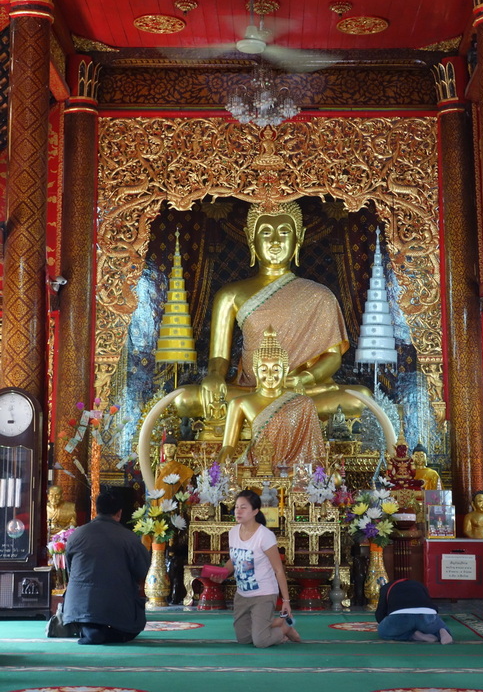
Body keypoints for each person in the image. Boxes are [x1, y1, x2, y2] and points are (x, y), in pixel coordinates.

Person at [138, 202, 396, 488]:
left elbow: (332, 358)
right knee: (184, 398)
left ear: (298, 239)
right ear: (252, 240)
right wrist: (213, 376)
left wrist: (305, 378)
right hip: (251, 390)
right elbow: (219, 358)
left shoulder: (320, 296)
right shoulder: (230, 295)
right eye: (266, 233)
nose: (275, 241)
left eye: (284, 232)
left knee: (358, 397)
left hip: (299, 390)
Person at [219, 327, 325, 469]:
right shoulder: (239, 403)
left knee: (332, 477)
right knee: (233, 475)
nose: (270, 375)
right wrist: (217, 471)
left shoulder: (304, 403)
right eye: (264, 369)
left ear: (285, 370)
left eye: (276, 369)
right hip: (256, 467)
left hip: (292, 469)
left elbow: (313, 452)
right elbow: (228, 446)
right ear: (255, 370)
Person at [210, 489, 301, 647]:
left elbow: (279, 570)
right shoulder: (232, 532)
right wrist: (222, 573)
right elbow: (234, 559)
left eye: (243, 507)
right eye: (236, 507)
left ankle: (286, 627)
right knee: (244, 639)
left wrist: (286, 600)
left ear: (255, 511)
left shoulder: (264, 535)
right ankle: (275, 624)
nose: (238, 511)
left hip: (264, 594)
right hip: (242, 594)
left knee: (260, 641)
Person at [62, 489, 151, 645]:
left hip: (79, 607)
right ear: (119, 513)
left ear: (97, 509)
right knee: (131, 627)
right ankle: (104, 632)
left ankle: (91, 630)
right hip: (117, 605)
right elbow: (142, 570)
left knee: (90, 618)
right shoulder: (129, 538)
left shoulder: (76, 535)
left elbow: (70, 569)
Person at [375, 578, 453, 644]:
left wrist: (385, 622)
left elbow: (380, 614)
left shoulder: (386, 588)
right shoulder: (420, 585)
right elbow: (431, 605)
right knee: (437, 626)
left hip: (400, 616)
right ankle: (441, 631)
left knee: (383, 632)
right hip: (427, 614)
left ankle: (413, 635)